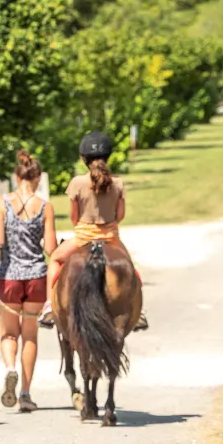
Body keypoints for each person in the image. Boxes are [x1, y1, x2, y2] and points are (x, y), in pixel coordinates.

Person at [39, 131, 148, 332]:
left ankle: (48, 306)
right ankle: (138, 310)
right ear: (108, 156)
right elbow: (120, 215)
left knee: (54, 259)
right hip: (111, 239)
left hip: (83, 238)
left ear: (83, 158)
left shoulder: (77, 183)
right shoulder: (118, 183)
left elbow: (74, 217)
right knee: (130, 268)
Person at [0, 151, 57, 412]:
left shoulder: (1, 204)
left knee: (8, 333)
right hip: (36, 277)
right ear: (37, 178)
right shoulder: (45, 207)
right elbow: (50, 247)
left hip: (8, 277)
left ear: (16, 176)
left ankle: (10, 368)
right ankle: (25, 393)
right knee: (30, 336)